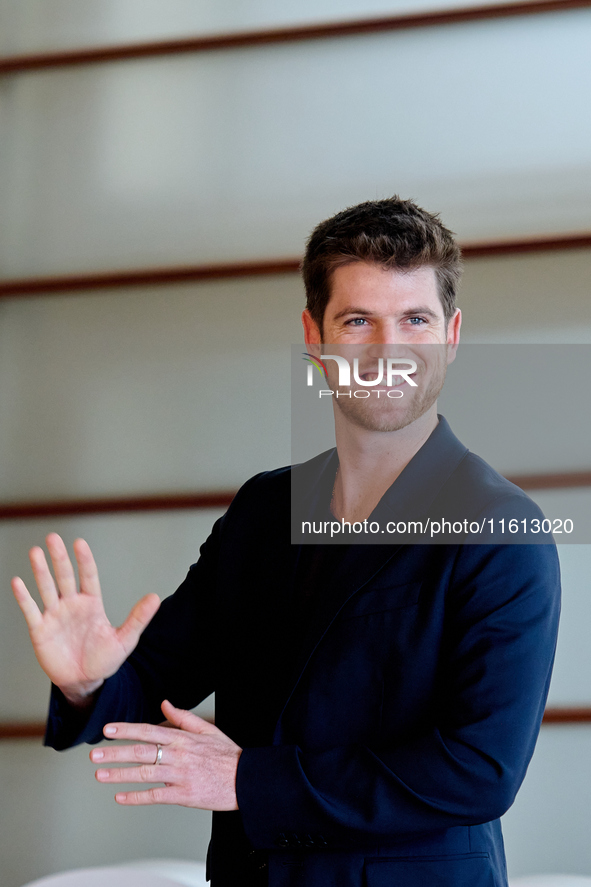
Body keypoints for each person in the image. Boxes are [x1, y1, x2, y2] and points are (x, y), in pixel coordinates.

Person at [12, 197, 561, 887]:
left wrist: (249, 779)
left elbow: (477, 769)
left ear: (450, 335)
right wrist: (89, 681)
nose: (388, 349)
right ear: (314, 334)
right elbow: (154, 687)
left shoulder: (500, 528)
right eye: (357, 321)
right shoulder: (263, 510)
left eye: (414, 320)